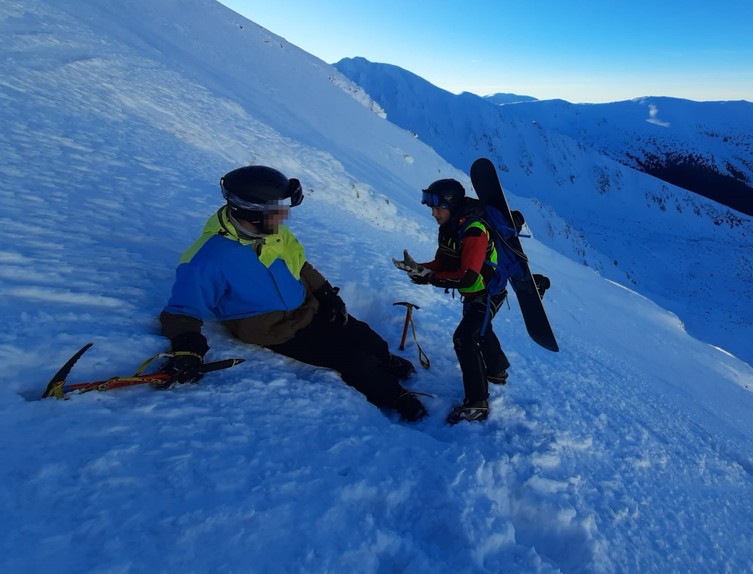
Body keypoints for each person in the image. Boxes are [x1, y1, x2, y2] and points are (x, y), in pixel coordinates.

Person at [159, 165, 427, 422]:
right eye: (278, 209)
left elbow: (301, 265)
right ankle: (396, 397)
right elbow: (181, 310)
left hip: (307, 307)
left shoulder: (273, 232)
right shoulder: (207, 260)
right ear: (252, 213)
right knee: (353, 360)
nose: (284, 216)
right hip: (274, 328)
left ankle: (386, 359)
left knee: (365, 336)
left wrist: (326, 294)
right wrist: (188, 351)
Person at [394, 178, 510, 424]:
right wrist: (419, 268)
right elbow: (443, 263)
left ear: (452, 205)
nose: (433, 214)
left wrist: (430, 278)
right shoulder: (450, 228)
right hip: (475, 292)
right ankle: (498, 371)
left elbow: (468, 278)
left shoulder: (474, 230)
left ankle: (478, 404)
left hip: (488, 292)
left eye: (438, 208)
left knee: (465, 337)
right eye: (432, 208)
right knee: (480, 328)